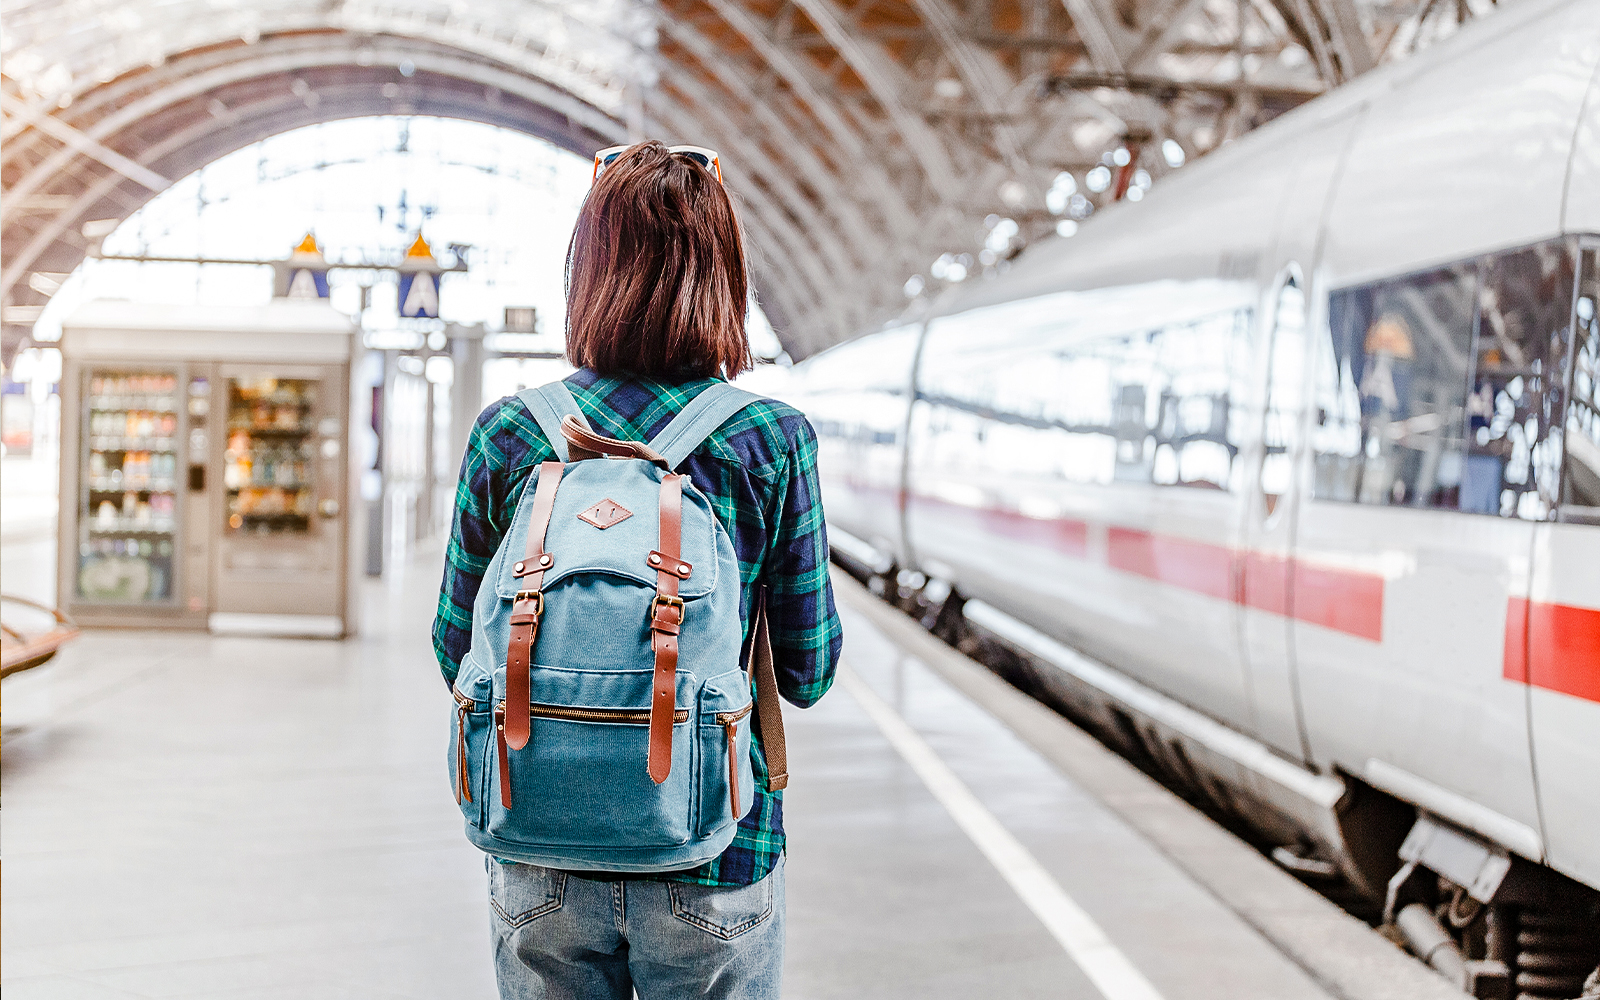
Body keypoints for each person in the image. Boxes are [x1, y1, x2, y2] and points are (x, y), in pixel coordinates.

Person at [432, 140, 843, 1000]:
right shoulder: (768, 439)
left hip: (539, 847)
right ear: (726, 273)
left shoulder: (511, 433)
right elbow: (808, 672)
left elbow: (452, 651)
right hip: (720, 847)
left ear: (587, 270)